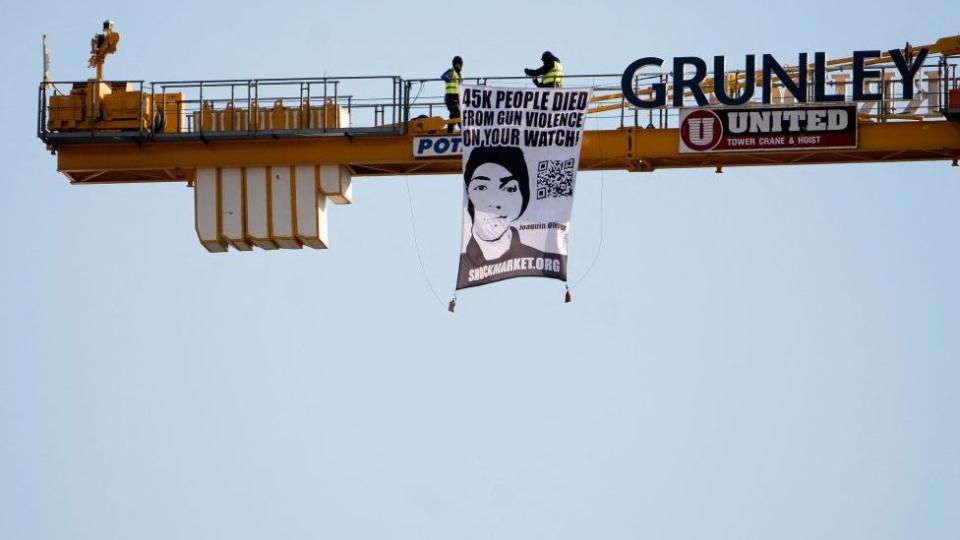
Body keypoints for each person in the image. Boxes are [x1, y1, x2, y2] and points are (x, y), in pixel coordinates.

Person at [457, 146, 564, 289]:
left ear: (523, 198)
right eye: (482, 187)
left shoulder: (542, 260)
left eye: (509, 189)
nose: (494, 202)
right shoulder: (459, 260)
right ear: (468, 193)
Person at [440, 56, 463, 133]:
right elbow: (443, 76)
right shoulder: (451, 72)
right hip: (450, 97)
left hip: (456, 98)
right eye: (458, 64)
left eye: (460, 65)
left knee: (453, 115)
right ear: (455, 64)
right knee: (457, 114)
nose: (459, 66)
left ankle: (449, 132)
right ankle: (463, 131)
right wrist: (448, 79)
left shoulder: (459, 75)